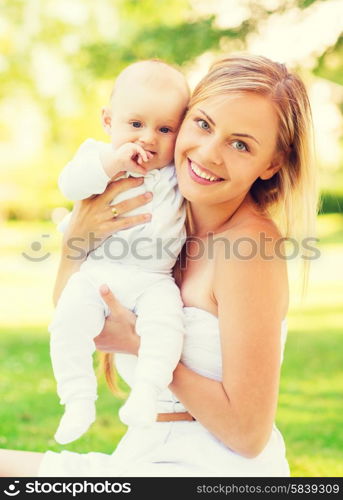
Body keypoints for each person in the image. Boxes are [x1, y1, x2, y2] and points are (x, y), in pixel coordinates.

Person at [0, 53, 317, 477]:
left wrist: (139, 345)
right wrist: (76, 244)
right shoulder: (163, 223)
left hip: (210, 470)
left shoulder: (249, 246)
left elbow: (247, 433)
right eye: (203, 124)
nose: (208, 153)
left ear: (272, 164)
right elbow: (80, 315)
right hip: (147, 455)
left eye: (240, 144)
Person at [49, 60, 190, 444]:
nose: (147, 138)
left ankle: (146, 395)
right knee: (67, 323)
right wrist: (112, 163)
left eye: (165, 129)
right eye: (135, 124)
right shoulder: (97, 156)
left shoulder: (177, 172)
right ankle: (77, 398)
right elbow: (70, 185)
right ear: (108, 121)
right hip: (98, 272)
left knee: (166, 329)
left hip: (154, 280)